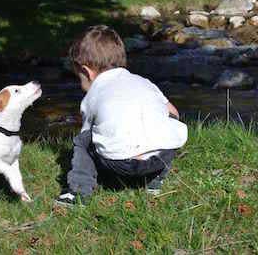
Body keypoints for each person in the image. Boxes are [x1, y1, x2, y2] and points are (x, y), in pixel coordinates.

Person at [55, 25, 188, 207]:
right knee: (169, 124)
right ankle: (155, 180)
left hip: (121, 164)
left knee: (82, 141)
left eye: (79, 77)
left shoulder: (94, 93)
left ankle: (78, 193)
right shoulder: (144, 82)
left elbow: (87, 135)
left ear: (86, 71)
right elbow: (174, 113)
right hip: (160, 157)